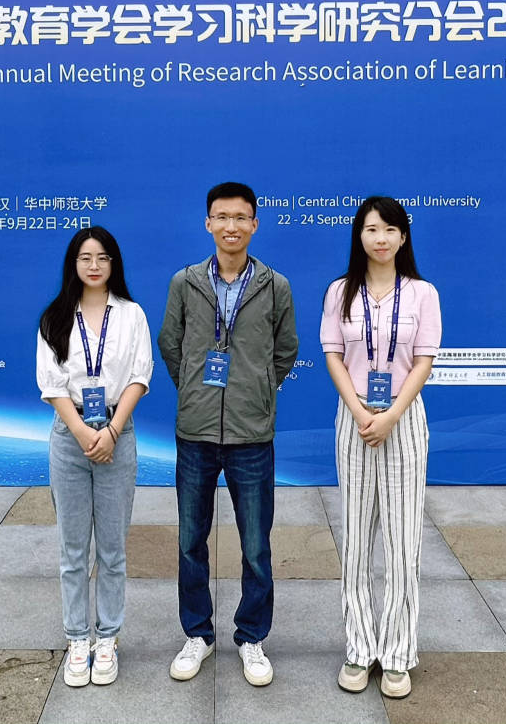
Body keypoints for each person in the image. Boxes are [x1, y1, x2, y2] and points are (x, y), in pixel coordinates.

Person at [158, 181, 298, 687]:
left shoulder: (275, 286)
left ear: (255, 224)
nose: (231, 226)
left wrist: (255, 392)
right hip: (195, 432)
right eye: (222, 217)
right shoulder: (186, 282)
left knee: (256, 545)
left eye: (241, 217)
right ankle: (197, 634)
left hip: (252, 435)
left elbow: (285, 351)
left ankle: (252, 636)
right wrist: (197, 391)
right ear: (208, 223)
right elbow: (171, 344)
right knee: (190, 541)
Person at [319, 196, 440, 699]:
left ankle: (396, 655)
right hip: (354, 421)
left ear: (403, 237)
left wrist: (390, 415)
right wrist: (360, 410)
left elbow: (423, 361)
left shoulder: (422, 293)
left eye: (390, 229)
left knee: (402, 542)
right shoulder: (340, 291)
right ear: (359, 236)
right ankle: (358, 647)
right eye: (371, 229)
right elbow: (333, 355)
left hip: (403, 421)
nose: (381, 238)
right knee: (356, 542)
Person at [37, 226, 153, 688]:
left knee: (112, 548)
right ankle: (76, 638)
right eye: (85, 257)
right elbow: (51, 385)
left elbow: (140, 375)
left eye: (103, 257)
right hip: (70, 437)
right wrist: (85, 432)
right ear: (74, 264)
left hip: (117, 433)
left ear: (113, 264)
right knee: (72, 550)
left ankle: (107, 637)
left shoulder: (131, 314)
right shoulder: (55, 317)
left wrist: (112, 431)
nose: (94, 265)